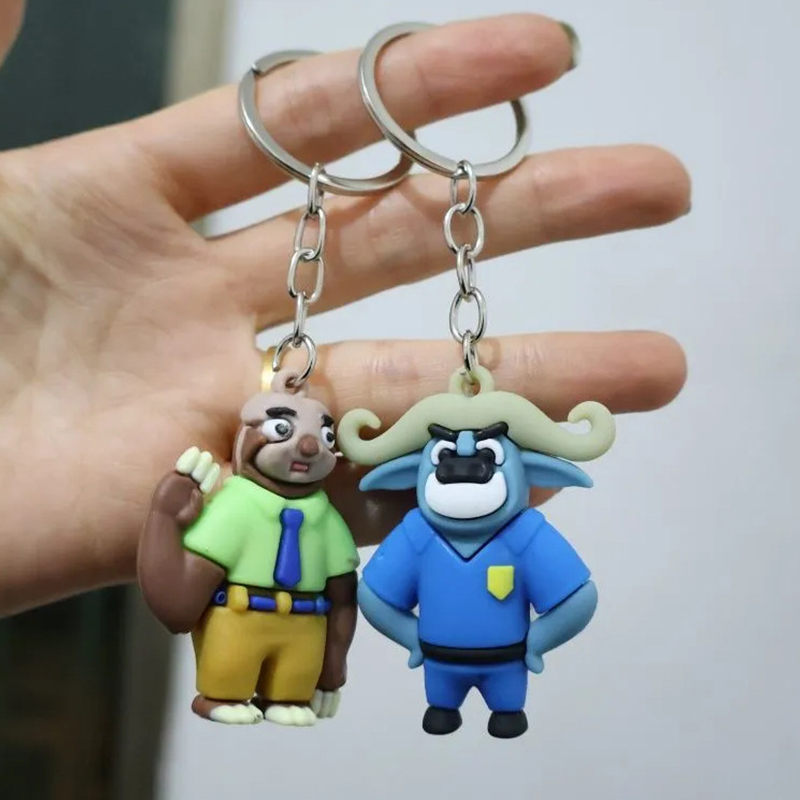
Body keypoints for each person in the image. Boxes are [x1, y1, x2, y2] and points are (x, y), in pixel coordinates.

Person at [0, 1, 689, 617]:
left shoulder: (387, 523)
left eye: (321, 436)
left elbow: (362, 595)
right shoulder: (247, 501)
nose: (308, 447)